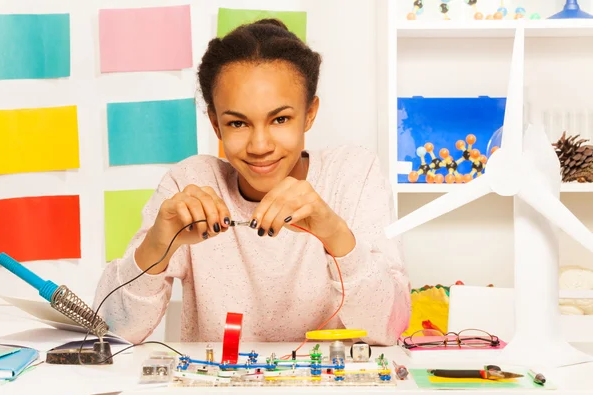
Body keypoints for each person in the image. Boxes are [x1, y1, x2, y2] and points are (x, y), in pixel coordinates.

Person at [93, 19, 410, 346]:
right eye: (238, 123)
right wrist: (156, 246)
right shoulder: (190, 183)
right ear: (217, 125)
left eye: (281, 119)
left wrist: (334, 233)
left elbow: (391, 328)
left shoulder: (352, 174)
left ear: (310, 113)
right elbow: (109, 331)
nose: (260, 146)